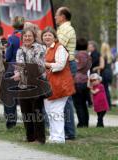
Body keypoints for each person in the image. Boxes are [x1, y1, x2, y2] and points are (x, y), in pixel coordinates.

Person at [11, 27, 46, 143]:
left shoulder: (40, 48)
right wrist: (17, 73)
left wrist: (21, 72)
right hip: (23, 84)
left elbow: (38, 66)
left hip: (36, 84)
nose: (27, 38)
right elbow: (18, 66)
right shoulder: (20, 50)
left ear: (34, 37)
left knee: (37, 111)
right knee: (26, 112)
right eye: (25, 36)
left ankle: (40, 138)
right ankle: (30, 137)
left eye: (29, 36)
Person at [42, 27, 75, 143]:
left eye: (49, 35)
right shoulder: (45, 49)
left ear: (54, 37)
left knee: (57, 111)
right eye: (45, 35)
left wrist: (45, 64)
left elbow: (60, 65)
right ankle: (53, 135)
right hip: (49, 84)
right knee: (50, 111)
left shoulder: (60, 47)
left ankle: (59, 137)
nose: (47, 37)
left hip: (61, 84)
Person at [55, 6, 76, 140]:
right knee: (63, 99)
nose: (55, 17)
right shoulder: (63, 28)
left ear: (63, 17)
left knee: (66, 99)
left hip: (66, 65)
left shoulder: (66, 29)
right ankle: (66, 130)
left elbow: (58, 46)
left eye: (57, 15)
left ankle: (69, 132)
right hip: (65, 64)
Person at [3, 16, 24, 129]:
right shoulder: (26, 36)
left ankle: (11, 122)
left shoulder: (12, 38)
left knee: (9, 96)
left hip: (13, 67)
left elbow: (8, 56)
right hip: (25, 68)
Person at [72, 38, 92, 128]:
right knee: (84, 103)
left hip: (77, 80)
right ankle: (85, 122)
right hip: (85, 80)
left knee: (78, 103)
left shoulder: (78, 55)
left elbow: (77, 66)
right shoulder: (88, 55)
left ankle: (81, 123)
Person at [93, 42, 113, 109]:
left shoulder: (102, 56)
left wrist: (95, 68)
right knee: (107, 89)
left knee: (104, 90)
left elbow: (102, 66)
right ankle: (109, 105)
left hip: (104, 74)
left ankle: (105, 105)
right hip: (109, 73)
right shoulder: (110, 56)